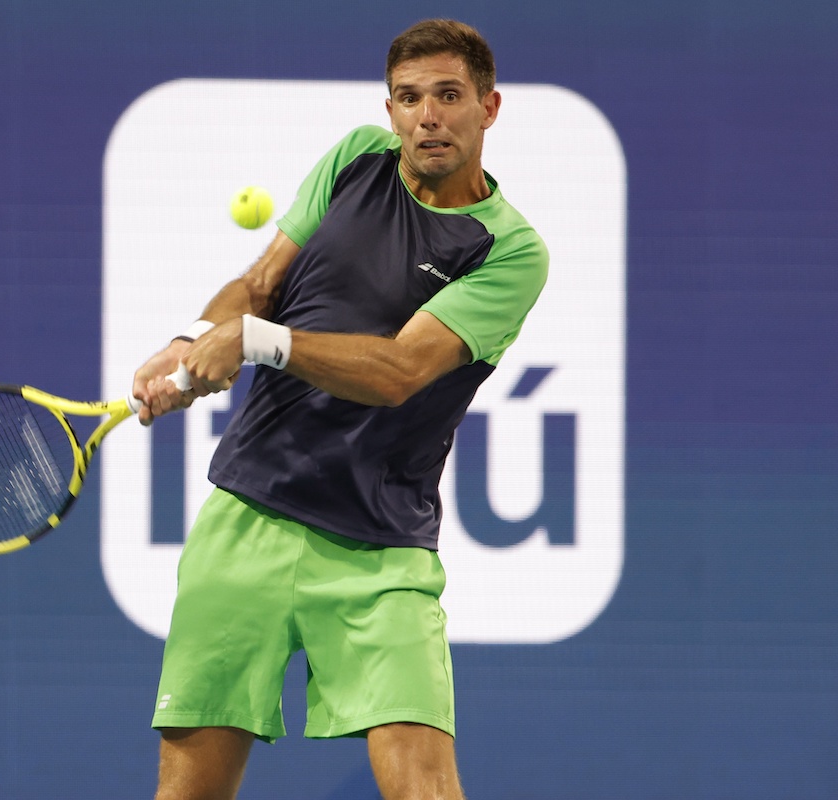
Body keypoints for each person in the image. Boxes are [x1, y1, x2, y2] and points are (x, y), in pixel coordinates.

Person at [132, 18, 548, 800]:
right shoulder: (357, 157)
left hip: (380, 550)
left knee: (424, 785)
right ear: (389, 110)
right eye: (410, 97)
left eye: (449, 96)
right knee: (189, 791)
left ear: (489, 109)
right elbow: (259, 285)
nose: (428, 115)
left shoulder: (510, 251)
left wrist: (255, 341)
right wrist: (194, 338)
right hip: (246, 524)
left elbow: (399, 371)